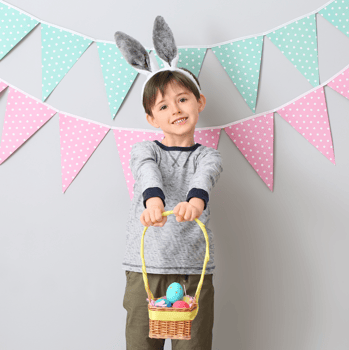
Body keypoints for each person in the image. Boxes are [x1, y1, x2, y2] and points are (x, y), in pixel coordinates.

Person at [115, 16, 223, 350]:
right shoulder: (144, 150)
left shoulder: (208, 155)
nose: (175, 109)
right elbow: (147, 172)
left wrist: (194, 203)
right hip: (146, 268)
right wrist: (154, 202)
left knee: (194, 344)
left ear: (199, 102)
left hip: (194, 269)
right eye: (163, 105)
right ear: (152, 118)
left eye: (182, 99)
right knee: (140, 343)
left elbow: (204, 180)